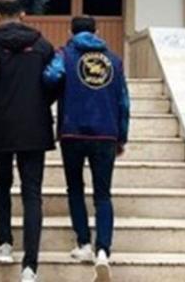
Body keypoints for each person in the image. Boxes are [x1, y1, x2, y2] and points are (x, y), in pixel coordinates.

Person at [42, 16, 130, 282]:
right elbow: (124, 102)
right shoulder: (114, 61)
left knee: (75, 189)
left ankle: (83, 244)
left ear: (71, 32)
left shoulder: (65, 55)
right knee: (103, 194)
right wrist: (121, 137)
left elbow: (50, 78)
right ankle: (103, 251)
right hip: (106, 133)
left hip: (73, 132)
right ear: (97, 32)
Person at [0, 0, 56, 282]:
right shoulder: (42, 45)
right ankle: (30, 267)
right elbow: (55, 80)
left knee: (2, 183)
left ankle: (4, 245)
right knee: (32, 193)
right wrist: (42, 103)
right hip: (35, 126)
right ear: (23, 13)